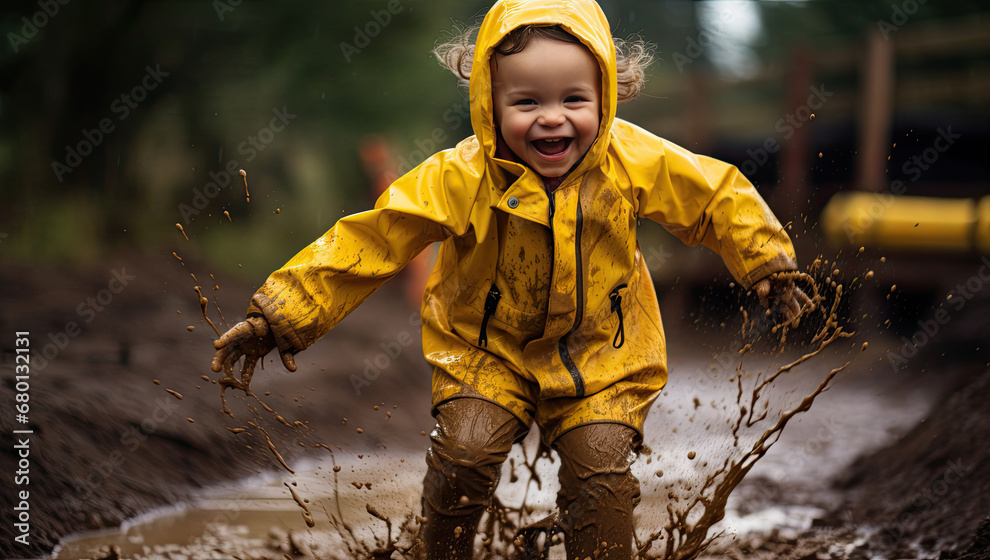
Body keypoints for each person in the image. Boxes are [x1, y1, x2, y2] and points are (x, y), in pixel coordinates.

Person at [210, 1, 811, 558]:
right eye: (526, 102)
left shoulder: (633, 161)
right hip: (484, 350)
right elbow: (374, 238)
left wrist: (768, 264)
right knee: (466, 451)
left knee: (599, 470)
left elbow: (716, 196)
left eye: (574, 99)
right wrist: (282, 314)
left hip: (604, 357)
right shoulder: (459, 176)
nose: (553, 119)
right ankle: (437, 551)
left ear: (606, 96)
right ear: (489, 104)